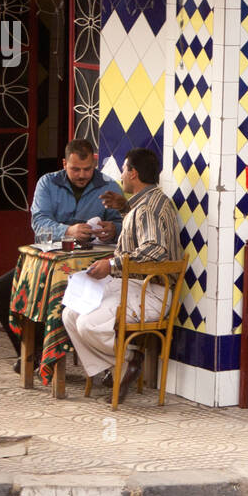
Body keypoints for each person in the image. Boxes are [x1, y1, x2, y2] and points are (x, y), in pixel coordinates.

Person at [0, 139, 124, 368]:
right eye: (75, 169)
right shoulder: (47, 183)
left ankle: (50, 354)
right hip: (48, 265)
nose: (82, 174)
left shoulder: (109, 187)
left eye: (87, 169)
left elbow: (123, 225)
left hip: (90, 270)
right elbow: (38, 222)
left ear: (95, 163)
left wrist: (113, 230)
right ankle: (32, 352)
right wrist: (68, 230)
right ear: (64, 164)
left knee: (58, 297)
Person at [62, 148, 182, 403]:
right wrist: (124, 209)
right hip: (134, 286)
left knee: (87, 324)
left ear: (134, 173)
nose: (122, 176)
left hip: (152, 292)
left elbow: (155, 249)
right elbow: (143, 233)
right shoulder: (147, 202)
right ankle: (116, 367)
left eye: (125, 170)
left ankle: (128, 360)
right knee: (70, 314)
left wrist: (112, 265)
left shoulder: (148, 208)